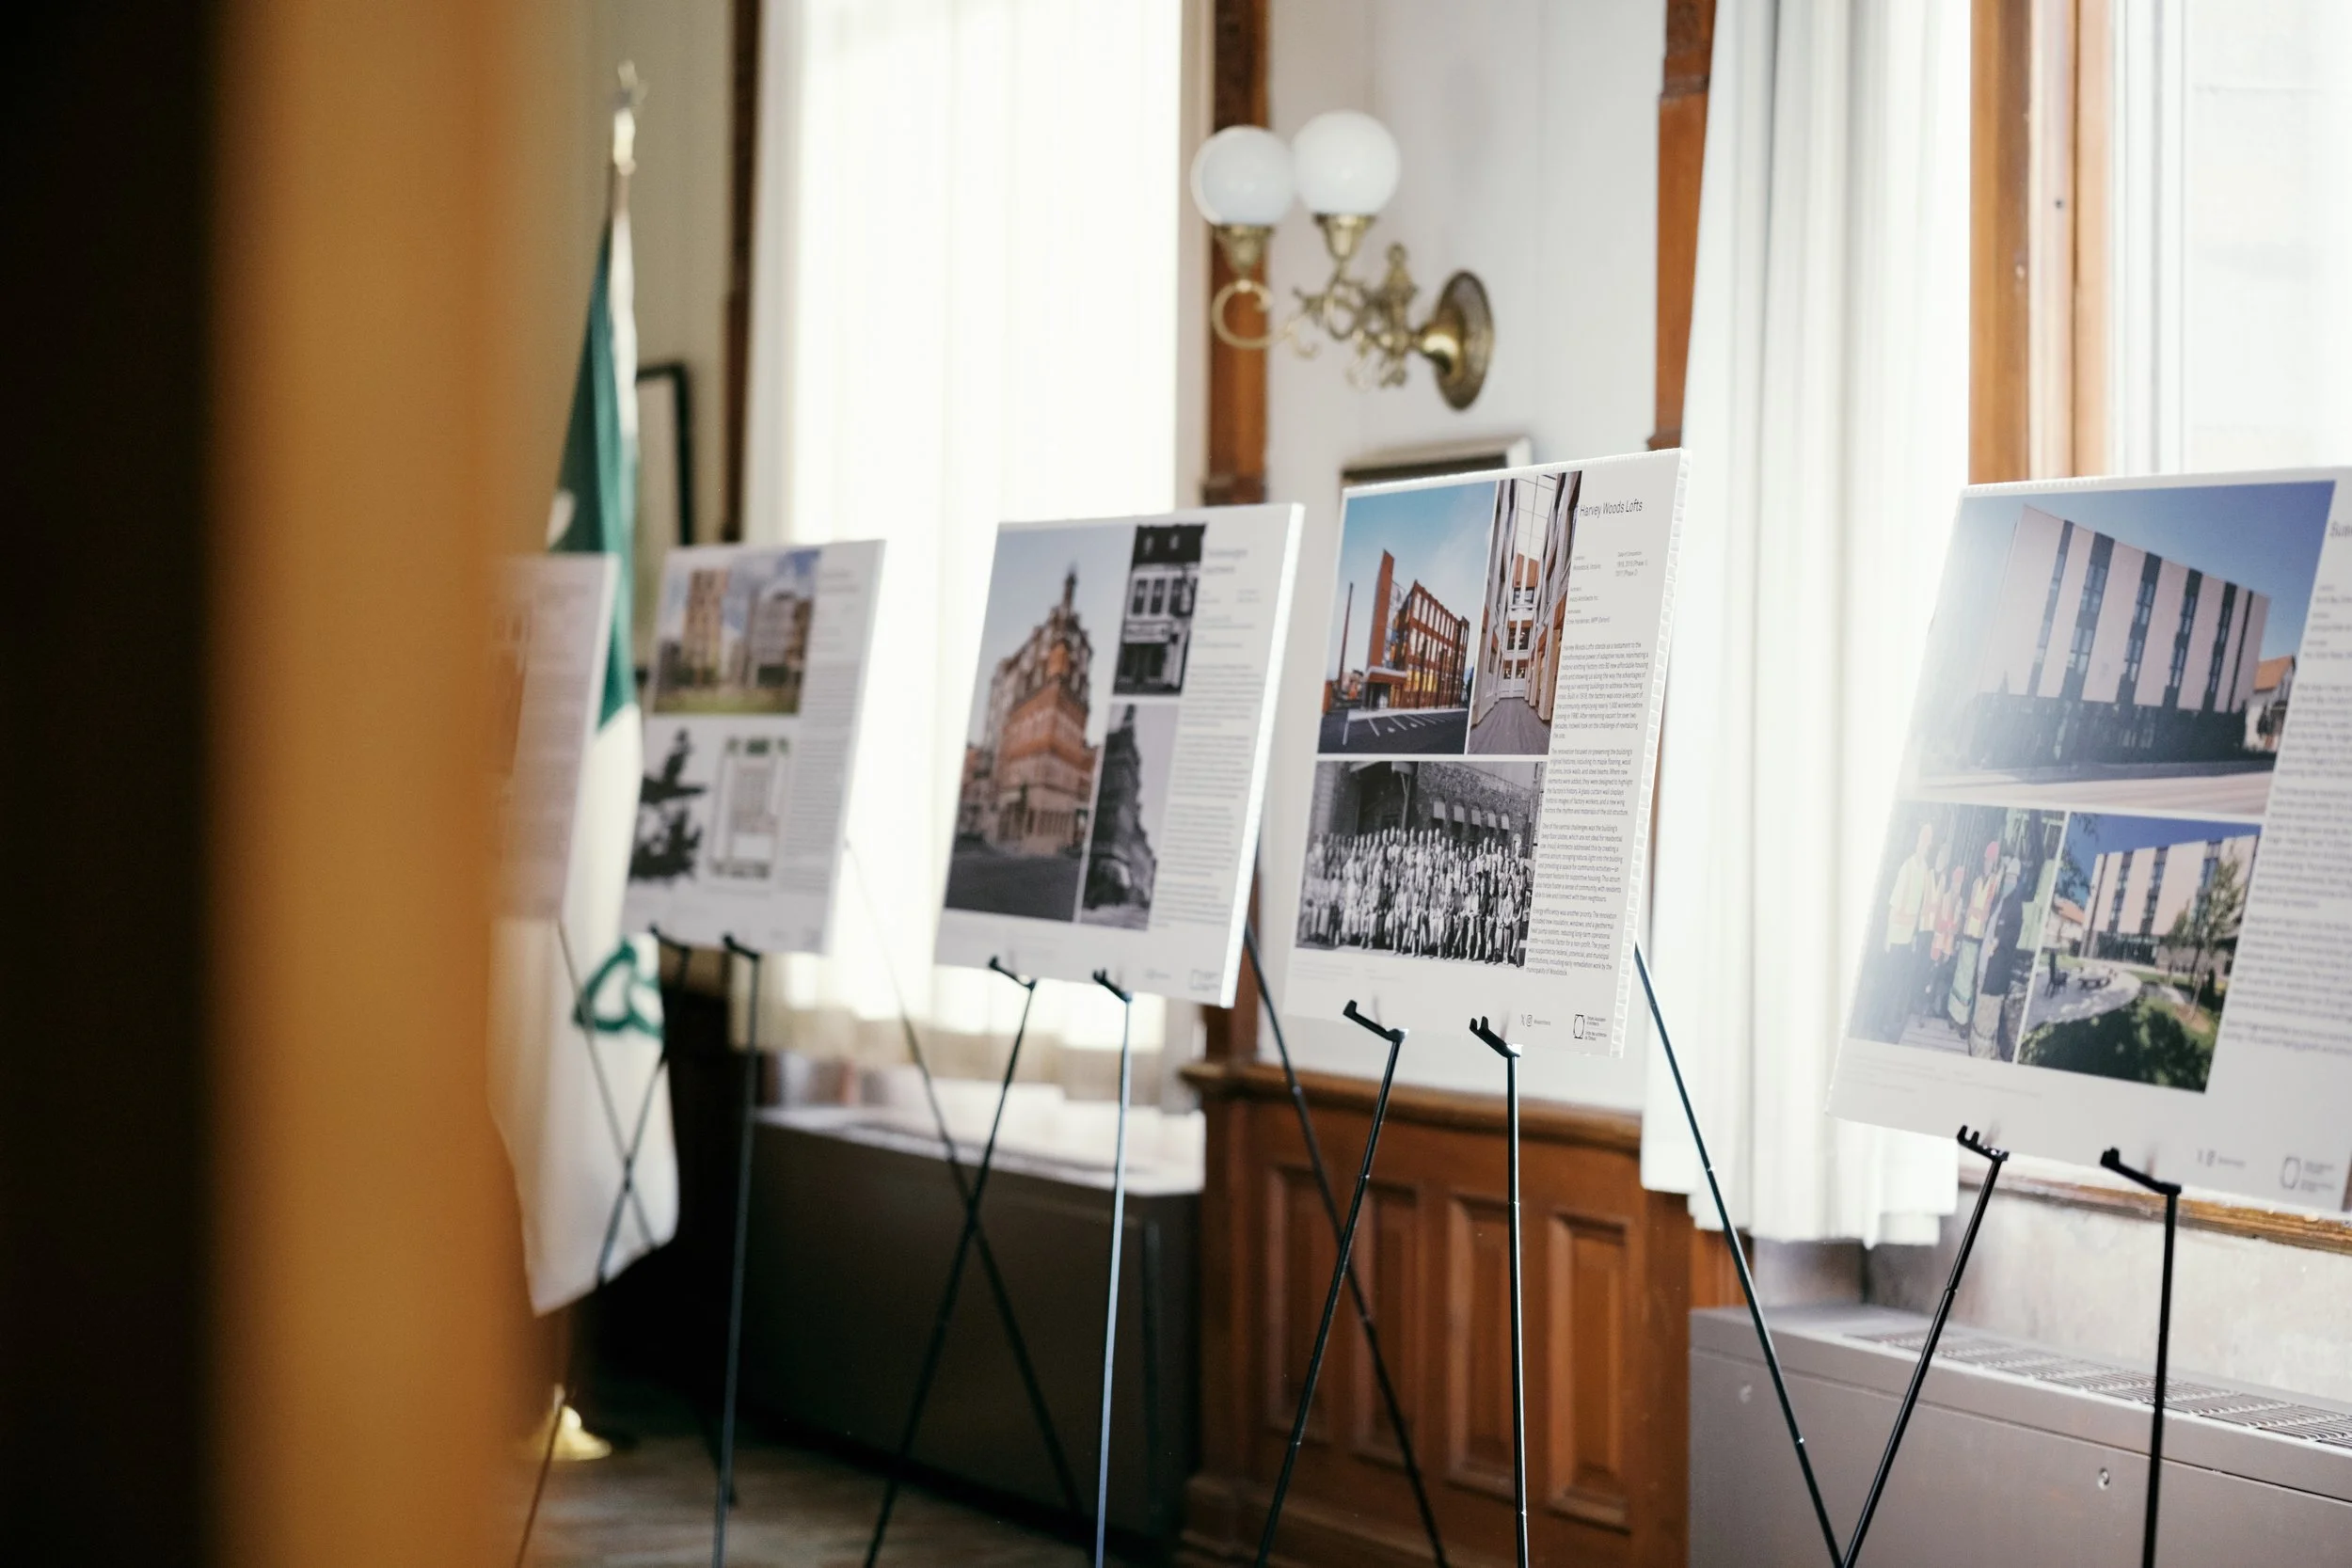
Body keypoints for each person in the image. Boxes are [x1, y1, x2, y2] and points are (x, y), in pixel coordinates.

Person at [1879, 821, 1936, 1037]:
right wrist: (1887, 937)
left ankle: (1894, 1023)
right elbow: (1894, 907)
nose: (1924, 845)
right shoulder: (1907, 867)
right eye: (1923, 840)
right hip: (1896, 936)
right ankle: (1884, 1024)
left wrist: (1914, 935)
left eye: (1928, 842)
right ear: (1917, 841)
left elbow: (1921, 904)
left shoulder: (1924, 870)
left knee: (1901, 984)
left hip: (1908, 938)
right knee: (1890, 982)